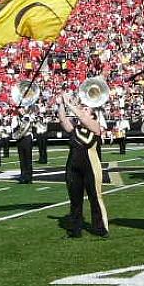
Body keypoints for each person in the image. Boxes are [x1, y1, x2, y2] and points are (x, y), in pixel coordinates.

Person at [57, 93, 109, 238]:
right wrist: (61, 104)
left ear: (93, 115)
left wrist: (70, 104)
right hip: (73, 168)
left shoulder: (95, 127)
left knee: (95, 197)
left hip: (91, 168)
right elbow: (62, 120)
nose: (83, 110)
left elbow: (83, 118)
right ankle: (75, 229)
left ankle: (100, 228)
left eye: (86, 109)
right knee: (75, 200)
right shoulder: (75, 129)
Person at [12, 108, 34, 184]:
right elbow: (14, 128)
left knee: (28, 158)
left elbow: (28, 125)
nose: (21, 111)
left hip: (27, 138)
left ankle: (29, 177)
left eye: (22, 109)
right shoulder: (16, 118)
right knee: (21, 159)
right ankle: (23, 176)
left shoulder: (28, 117)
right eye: (19, 110)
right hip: (19, 138)